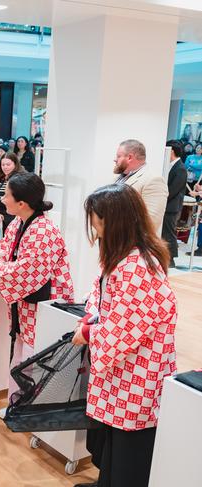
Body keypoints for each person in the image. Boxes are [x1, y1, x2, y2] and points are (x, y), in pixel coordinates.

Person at [72, 184, 177, 487]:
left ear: (114, 221)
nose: (94, 225)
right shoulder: (125, 257)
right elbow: (101, 297)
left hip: (138, 369)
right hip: (124, 366)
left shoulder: (137, 266)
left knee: (130, 443)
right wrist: (93, 321)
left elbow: (127, 326)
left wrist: (90, 331)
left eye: (98, 219)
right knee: (115, 437)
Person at [0, 173, 74, 417]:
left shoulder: (43, 231)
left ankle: (29, 410)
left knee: (34, 355)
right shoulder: (20, 222)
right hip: (28, 303)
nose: (2, 199)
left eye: (6, 195)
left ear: (21, 203)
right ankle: (18, 404)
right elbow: (6, 248)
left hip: (44, 303)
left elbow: (26, 270)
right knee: (22, 352)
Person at [113, 139, 168, 233]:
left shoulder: (153, 180)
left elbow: (151, 222)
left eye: (118, 156)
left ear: (129, 157)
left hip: (130, 243)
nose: (115, 159)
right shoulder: (119, 177)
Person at [162, 140, 188, 267]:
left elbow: (173, 190)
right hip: (167, 205)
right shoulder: (171, 165)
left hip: (172, 207)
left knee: (169, 233)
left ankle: (171, 259)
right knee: (165, 232)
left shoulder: (181, 168)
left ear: (171, 151)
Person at [0, 152, 25, 234]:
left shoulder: (21, 180)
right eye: (3, 165)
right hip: (0, 220)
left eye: (8, 164)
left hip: (16, 220)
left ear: (15, 164)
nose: (5, 167)